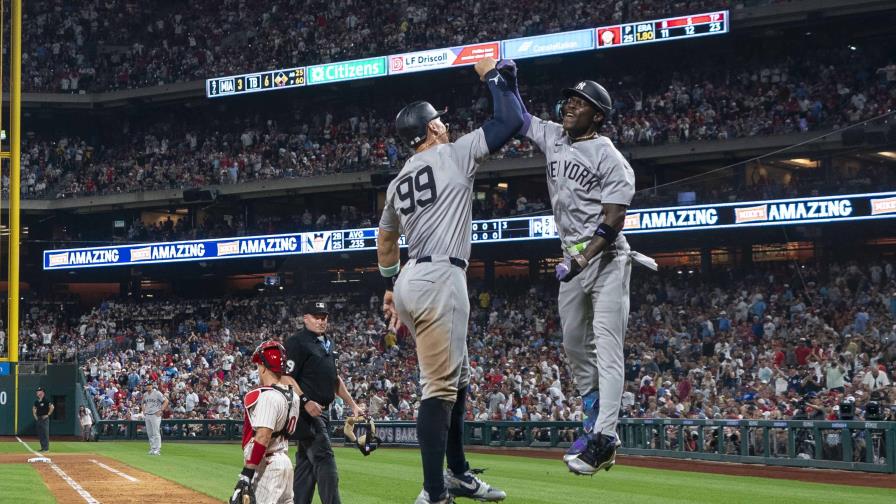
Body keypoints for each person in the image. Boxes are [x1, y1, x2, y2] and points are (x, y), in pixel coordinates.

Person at [377, 55, 520, 503]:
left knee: (457, 381)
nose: (445, 124)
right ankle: (434, 491)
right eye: (440, 120)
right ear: (433, 129)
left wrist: (389, 285)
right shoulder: (454, 154)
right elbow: (510, 118)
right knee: (438, 389)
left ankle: (457, 472)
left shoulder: (398, 179)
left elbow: (385, 242)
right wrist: (492, 75)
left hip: (410, 279)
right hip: (441, 277)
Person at [505, 63, 656, 475]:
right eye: (569, 100)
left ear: (598, 116)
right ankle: (592, 415)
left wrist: (582, 259)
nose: (571, 106)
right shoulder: (555, 135)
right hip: (570, 259)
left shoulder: (610, 156)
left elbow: (612, 220)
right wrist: (510, 85)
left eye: (581, 103)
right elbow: (519, 118)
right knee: (573, 343)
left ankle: (605, 439)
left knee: (607, 346)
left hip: (605, 259)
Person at [282, 301, 364, 504]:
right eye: (316, 317)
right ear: (305, 318)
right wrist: (305, 400)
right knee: (325, 460)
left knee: (306, 467)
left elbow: (334, 379)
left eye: (324, 317)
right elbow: (286, 377)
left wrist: (352, 404)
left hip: (322, 412)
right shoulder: (297, 342)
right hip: (305, 413)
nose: (321, 321)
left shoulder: (327, 343)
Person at [229, 341, 302, 504]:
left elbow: (263, 437)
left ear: (263, 367)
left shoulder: (268, 396)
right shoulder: (294, 397)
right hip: (285, 463)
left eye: (258, 367)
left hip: (268, 467)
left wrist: (246, 475)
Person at [141, 380, 168, 455]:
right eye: (147, 385)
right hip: (148, 415)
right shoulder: (145, 394)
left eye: (149, 385)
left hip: (155, 415)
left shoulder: (157, 393)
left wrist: (161, 410)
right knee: (150, 433)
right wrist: (144, 411)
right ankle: (152, 448)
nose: (148, 386)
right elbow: (142, 403)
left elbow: (166, 401)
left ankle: (157, 449)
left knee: (156, 432)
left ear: (152, 386)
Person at [33, 387, 53, 452]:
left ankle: (46, 448)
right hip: (39, 418)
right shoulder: (36, 401)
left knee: (45, 433)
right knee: (40, 433)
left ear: (42, 392)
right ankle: (42, 447)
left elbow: (52, 407)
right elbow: (33, 408)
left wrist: (48, 414)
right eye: (37, 391)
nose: (37, 392)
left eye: (39, 391)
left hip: (45, 418)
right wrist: (35, 416)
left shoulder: (46, 400)